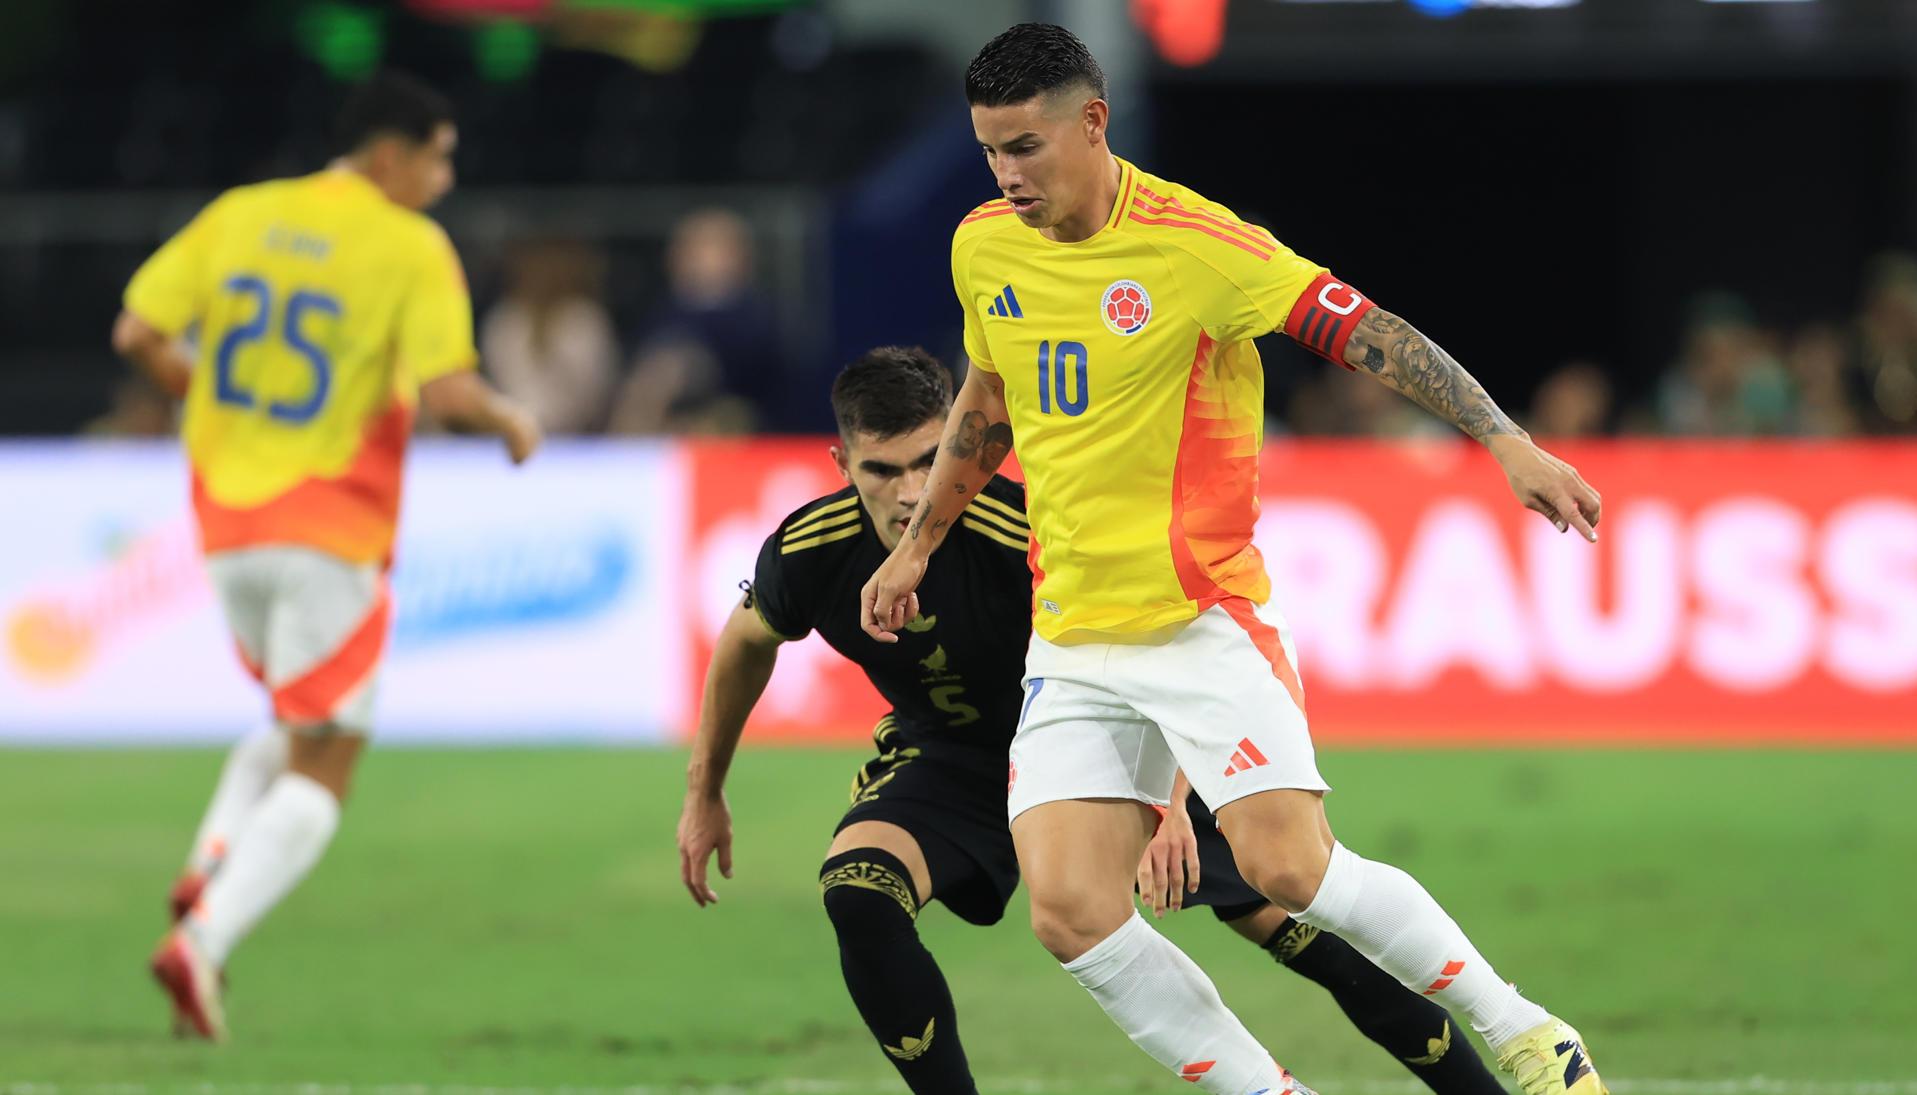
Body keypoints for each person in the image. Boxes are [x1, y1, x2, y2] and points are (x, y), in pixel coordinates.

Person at [861, 24, 1606, 1095]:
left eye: (1025, 146)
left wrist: (1502, 438)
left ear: (1093, 122)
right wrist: (919, 546)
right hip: (1071, 638)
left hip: (1199, 618)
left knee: (1286, 867)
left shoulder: (1199, 245)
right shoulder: (985, 245)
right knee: (1070, 912)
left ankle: (1531, 1032)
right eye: (990, 150)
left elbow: (1368, 329)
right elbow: (986, 401)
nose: (1006, 175)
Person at [677, 346, 1505, 1095]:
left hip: (1126, 739)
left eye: (930, 462)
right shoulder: (808, 549)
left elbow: (1166, 648)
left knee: (1302, 930)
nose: (906, 492)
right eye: (879, 469)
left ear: (973, 444)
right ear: (839, 462)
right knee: (857, 891)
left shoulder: (1033, 533)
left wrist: (1170, 803)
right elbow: (747, 641)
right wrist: (704, 790)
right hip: (957, 760)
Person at [111, 71, 541, 1041]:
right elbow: (450, 395)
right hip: (330, 528)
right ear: (389, 157)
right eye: (438, 156)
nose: (446, 176)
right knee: (329, 761)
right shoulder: (408, 244)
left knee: (297, 721)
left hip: (225, 528)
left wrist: (208, 398)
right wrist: (514, 420)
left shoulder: (240, 214)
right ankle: (205, 941)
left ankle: (211, 860)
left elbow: (137, 330)